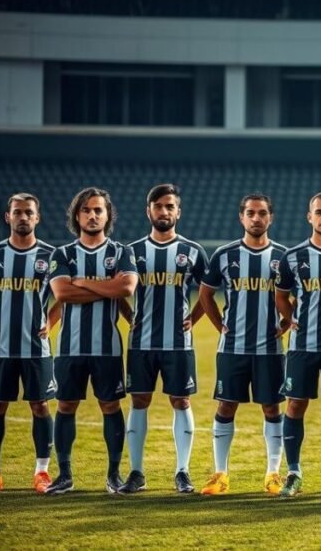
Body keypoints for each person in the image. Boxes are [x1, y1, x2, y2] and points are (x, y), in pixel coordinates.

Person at [46, 187, 139, 494]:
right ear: (77, 215)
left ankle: (113, 474)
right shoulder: (62, 254)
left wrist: (84, 282)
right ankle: (64, 475)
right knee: (66, 405)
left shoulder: (121, 252)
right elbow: (62, 293)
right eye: (86, 210)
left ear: (108, 215)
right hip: (69, 348)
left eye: (99, 210)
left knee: (110, 405)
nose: (93, 215)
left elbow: (126, 289)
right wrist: (106, 286)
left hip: (107, 348)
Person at [119, 184, 208, 494]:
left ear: (178, 212)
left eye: (170, 206)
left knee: (181, 401)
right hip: (141, 343)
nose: (164, 211)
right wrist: (129, 315)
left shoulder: (192, 251)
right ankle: (136, 472)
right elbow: (118, 289)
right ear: (149, 211)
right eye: (158, 206)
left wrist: (193, 318)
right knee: (139, 401)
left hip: (178, 344)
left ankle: (183, 471)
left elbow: (207, 292)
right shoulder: (131, 252)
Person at [0, 192, 59, 494]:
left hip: (36, 349)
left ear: (37, 218)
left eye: (28, 212)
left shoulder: (51, 256)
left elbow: (64, 295)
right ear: (8, 217)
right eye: (17, 212)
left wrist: (51, 322)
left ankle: (42, 472)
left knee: (40, 406)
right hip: (0, 349)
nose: (23, 217)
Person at [198, 193, 287, 496]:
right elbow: (205, 294)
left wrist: (286, 324)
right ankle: (220, 473)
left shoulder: (283, 257)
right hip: (232, 348)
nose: (256, 218)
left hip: (270, 350)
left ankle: (273, 473)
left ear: (270, 217)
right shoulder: (224, 255)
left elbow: (298, 296)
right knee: (226, 404)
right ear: (242, 217)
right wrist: (219, 326)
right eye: (251, 213)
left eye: (262, 213)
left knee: (271, 406)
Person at [276, 191, 321, 498]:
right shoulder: (293, 257)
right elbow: (281, 295)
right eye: (319, 212)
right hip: (302, 345)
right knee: (295, 404)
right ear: (310, 217)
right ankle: (293, 472)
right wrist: (290, 318)